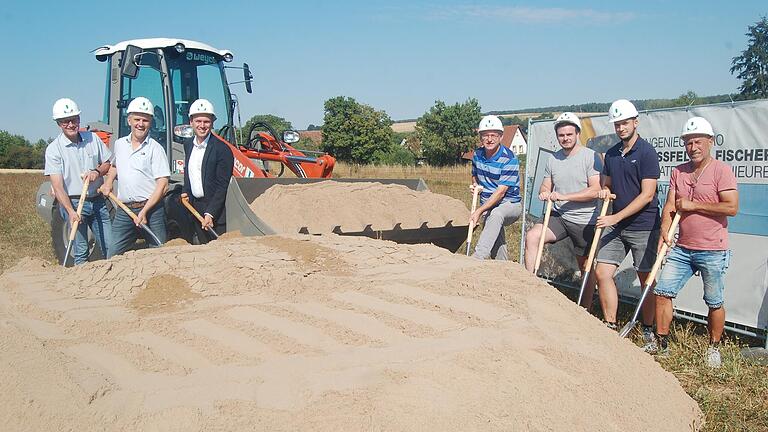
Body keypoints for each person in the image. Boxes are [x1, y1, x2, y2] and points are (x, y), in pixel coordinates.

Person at [650, 117, 738, 368]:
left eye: (698, 141)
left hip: (713, 249)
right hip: (682, 247)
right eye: (688, 142)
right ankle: (662, 343)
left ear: (710, 142)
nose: (693, 147)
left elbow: (731, 207)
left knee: (714, 301)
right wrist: (664, 233)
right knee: (662, 292)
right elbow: (670, 205)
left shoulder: (722, 171)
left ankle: (714, 347)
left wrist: (694, 204)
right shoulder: (679, 171)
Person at [595, 99, 660, 345]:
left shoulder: (646, 153)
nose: (621, 128)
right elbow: (607, 183)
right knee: (602, 272)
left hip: (643, 225)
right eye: (617, 124)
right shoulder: (611, 154)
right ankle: (610, 324)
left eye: (625, 123)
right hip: (617, 224)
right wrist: (604, 190)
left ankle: (647, 328)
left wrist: (616, 216)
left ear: (636, 122)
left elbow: (647, 195)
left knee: (646, 279)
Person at [524, 113, 602, 308]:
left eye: (569, 134)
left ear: (577, 133)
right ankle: (529, 288)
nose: (565, 138)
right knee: (532, 236)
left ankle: (585, 306)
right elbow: (545, 186)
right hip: (559, 216)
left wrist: (565, 197)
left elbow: (595, 190)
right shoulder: (553, 159)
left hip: (585, 220)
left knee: (586, 265)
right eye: (561, 135)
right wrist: (544, 193)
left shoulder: (590, 157)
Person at [44, 98, 113, 265]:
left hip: (97, 201)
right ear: (59, 123)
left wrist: (97, 172)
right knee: (81, 251)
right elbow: (58, 187)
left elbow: (107, 163)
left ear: (79, 119)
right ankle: (80, 286)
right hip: (73, 203)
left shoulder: (93, 138)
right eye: (65, 121)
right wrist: (70, 212)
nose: (70, 124)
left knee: (111, 248)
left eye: (74, 119)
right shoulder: (54, 149)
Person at [101, 97, 170, 255]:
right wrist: (109, 182)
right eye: (137, 119)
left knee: (159, 252)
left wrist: (145, 211)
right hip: (124, 209)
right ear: (129, 120)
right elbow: (115, 165)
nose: (140, 124)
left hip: (152, 210)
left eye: (145, 120)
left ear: (150, 122)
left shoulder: (156, 149)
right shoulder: (119, 144)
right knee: (113, 253)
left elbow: (163, 185)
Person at [470, 115, 522, 260]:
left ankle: (478, 257)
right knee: (497, 244)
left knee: (496, 214)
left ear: (501, 137)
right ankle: (503, 268)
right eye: (485, 135)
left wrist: (479, 211)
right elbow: (474, 174)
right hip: (488, 205)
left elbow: (500, 192)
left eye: (494, 135)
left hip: (509, 204)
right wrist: (476, 185)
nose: (490, 139)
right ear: (480, 137)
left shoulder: (509, 158)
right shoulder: (477, 155)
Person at [182, 99, 234, 243]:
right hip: (196, 209)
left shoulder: (222, 150)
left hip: (216, 213)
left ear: (212, 122)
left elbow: (222, 186)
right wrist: (185, 190)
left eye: (206, 121)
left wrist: (210, 213)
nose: (202, 125)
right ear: (191, 122)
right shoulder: (188, 146)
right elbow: (189, 173)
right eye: (198, 121)